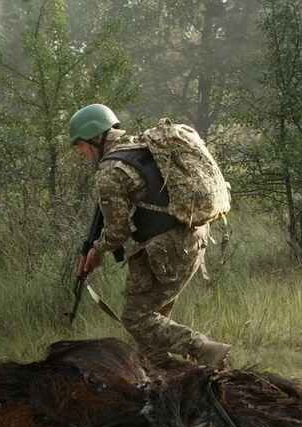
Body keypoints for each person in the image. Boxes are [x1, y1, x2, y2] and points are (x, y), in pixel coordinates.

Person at [68, 103, 232, 366]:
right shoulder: (139, 147)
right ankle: (164, 377)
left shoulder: (111, 172)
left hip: (167, 249)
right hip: (193, 238)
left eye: (80, 144)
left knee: (137, 319)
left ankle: (205, 349)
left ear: (97, 138)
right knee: (151, 331)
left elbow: (117, 231)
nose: (79, 151)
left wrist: (97, 250)